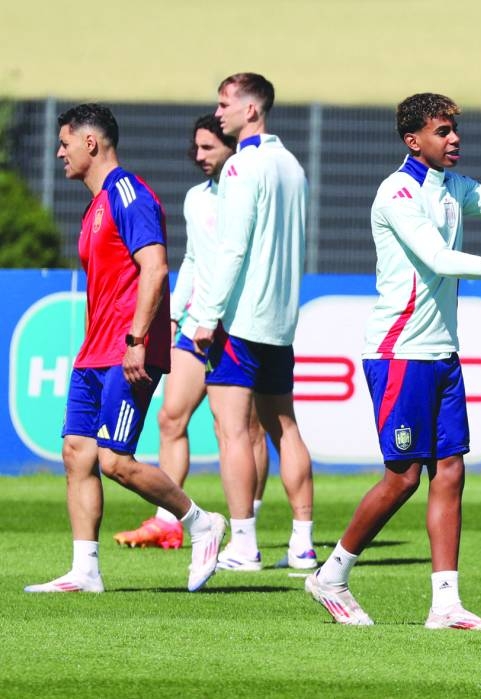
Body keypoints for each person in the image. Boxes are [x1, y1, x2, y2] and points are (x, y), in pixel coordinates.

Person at [305, 92, 481, 630]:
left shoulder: (452, 187)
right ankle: (330, 574)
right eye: (442, 131)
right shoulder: (397, 191)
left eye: (454, 130)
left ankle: (446, 605)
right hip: (400, 351)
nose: (454, 140)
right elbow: (437, 259)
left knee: (450, 471)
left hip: (441, 352)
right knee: (402, 478)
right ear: (413, 140)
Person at [24, 103, 226, 594]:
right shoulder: (96, 205)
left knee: (115, 460)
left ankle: (200, 522)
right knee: (77, 452)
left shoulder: (130, 195)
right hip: (94, 353)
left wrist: (136, 340)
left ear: (91, 143)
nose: (59, 152)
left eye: (65, 142)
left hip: (127, 350)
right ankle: (85, 570)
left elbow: (155, 269)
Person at [113, 115, 271, 550]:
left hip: (238, 323)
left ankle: (247, 529)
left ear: (231, 147)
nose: (199, 156)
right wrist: (173, 313)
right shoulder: (196, 198)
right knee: (171, 417)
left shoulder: (250, 192)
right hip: (194, 321)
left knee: (242, 428)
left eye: (208, 148)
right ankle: (169, 518)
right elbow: (195, 261)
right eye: (196, 148)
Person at [185, 73, 316, 571]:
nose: (219, 114)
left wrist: (207, 315)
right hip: (280, 320)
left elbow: (232, 248)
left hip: (240, 320)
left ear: (251, 111)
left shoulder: (242, 167)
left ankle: (243, 545)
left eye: (225, 105)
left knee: (232, 431)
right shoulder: (292, 165)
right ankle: (303, 543)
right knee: (285, 427)